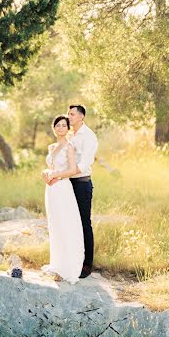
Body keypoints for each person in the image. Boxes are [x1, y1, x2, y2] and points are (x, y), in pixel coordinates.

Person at [41, 115, 84, 284]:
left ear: (68, 128)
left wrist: (56, 175)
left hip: (63, 188)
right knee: (55, 224)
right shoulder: (52, 147)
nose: (60, 128)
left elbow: (73, 170)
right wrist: (45, 173)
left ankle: (68, 268)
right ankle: (57, 264)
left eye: (63, 125)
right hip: (51, 189)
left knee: (66, 224)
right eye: (57, 125)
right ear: (54, 128)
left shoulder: (69, 147)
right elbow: (51, 166)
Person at [67, 105, 98, 278]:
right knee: (71, 224)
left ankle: (87, 265)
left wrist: (64, 173)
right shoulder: (69, 135)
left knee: (84, 223)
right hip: (67, 184)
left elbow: (86, 163)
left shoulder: (89, 136)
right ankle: (73, 260)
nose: (69, 117)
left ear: (81, 116)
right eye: (68, 114)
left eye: (72, 114)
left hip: (81, 184)